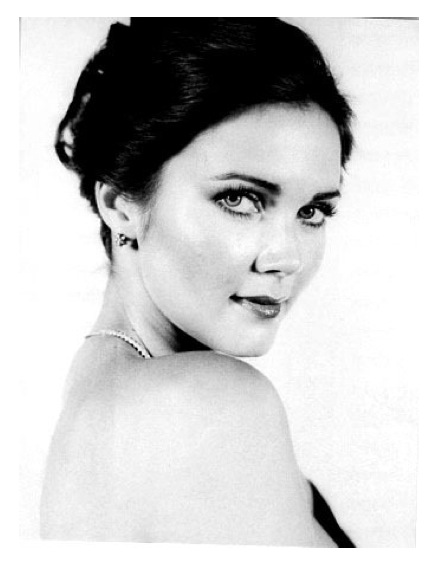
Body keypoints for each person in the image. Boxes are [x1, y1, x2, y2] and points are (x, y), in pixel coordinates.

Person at [40, 17, 355, 546]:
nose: (288, 258)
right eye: (240, 199)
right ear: (120, 204)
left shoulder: (98, 390)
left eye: (313, 211)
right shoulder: (204, 402)